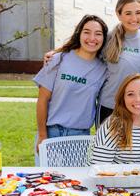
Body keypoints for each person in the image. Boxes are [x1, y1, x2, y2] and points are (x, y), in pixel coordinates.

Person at [34, 14, 108, 154]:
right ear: (79, 33)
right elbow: (42, 100)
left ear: (104, 38)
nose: (92, 38)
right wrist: (42, 135)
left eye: (98, 34)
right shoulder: (58, 59)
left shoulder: (104, 69)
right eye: (87, 32)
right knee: (49, 176)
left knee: (75, 177)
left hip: (80, 137)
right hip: (52, 133)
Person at [98, 0, 140, 123]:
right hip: (111, 107)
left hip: (139, 107)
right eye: (128, 13)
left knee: (138, 144)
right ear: (119, 14)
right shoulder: (108, 38)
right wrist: (56, 54)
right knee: (107, 144)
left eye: (138, 12)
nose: (134, 18)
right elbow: (83, 49)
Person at [88, 73, 140, 165]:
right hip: (112, 179)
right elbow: (99, 167)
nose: (138, 99)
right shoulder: (113, 125)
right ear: (123, 99)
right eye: (130, 94)